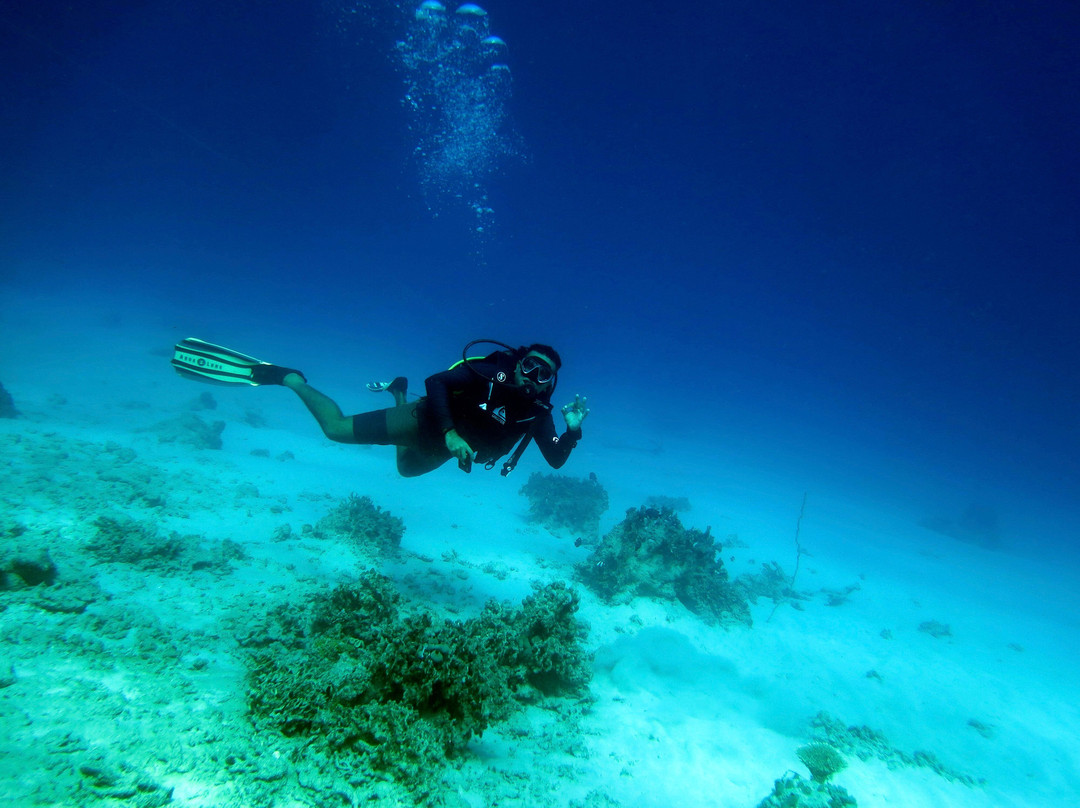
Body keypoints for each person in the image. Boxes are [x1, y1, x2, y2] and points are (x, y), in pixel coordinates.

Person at [171, 338, 589, 477]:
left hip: (448, 448)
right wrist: (449, 432)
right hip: (426, 420)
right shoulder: (486, 373)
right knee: (334, 429)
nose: (535, 379)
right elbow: (438, 382)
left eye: (544, 375)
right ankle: (289, 377)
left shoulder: (537, 412)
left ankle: (395, 390)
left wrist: (571, 430)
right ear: (517, 364)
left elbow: (554, 459)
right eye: (531, 367)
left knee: (405, 470)